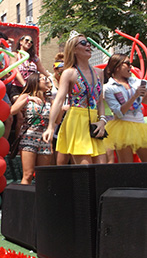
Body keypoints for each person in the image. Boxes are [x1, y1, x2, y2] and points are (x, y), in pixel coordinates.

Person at [42, 31, 107, 164]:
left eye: (88, 43)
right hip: (76, 121)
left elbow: (100, 101)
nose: (88, 45)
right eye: (83, 43)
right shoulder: (69, 73)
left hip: (94, 121)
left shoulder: (99, 73)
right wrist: (50, 126)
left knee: (101, 168)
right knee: (85, 168)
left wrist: (102, 121)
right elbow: (59, 100)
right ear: (74, 49)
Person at [103, 54, 147, 162]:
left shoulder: (136, 82)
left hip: (140, 126)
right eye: (127, 63)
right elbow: (120, 113)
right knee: (127, 165)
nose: (131, 67)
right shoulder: (109, 88)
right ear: (117, 67)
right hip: (121, 128)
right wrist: (135, 95)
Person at [10, 73, 53, 184]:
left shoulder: (49, 99)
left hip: (45, 139)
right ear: (36, 81)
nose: (47, 81)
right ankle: (25, 200)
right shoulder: (26, 96)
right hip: (29, 138)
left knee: (43, 176)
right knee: (28, 174)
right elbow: (12, 110)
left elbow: (56, 120)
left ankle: (41, 200)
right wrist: (28, 99)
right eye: (44, 79)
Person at [10, 35, 50, 101]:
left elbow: (42, 69)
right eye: (27, 40)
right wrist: (24, 84)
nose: (29, 42)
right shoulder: (15, 55)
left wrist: (51, 77)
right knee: (17, 103)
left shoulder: (34, 57)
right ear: (21, 42)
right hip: (17, 87)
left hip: (32, 87)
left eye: (31, 42)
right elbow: (15, 69)